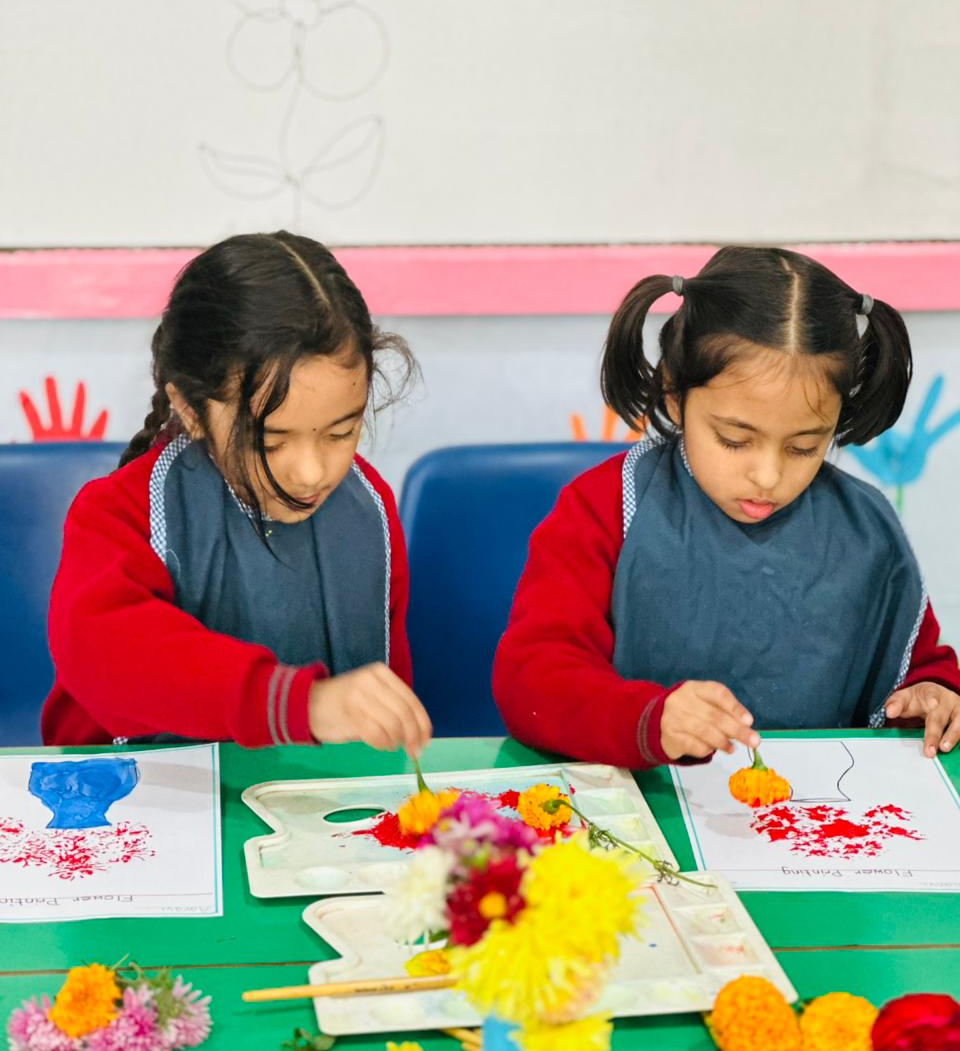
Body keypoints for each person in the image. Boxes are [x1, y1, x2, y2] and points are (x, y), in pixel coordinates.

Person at [494, 246, 960, 769]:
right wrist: (647, 719)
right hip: (644, 813)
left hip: (817, 818)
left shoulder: (865, 529)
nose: (768, 476)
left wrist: (932, 695)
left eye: (804, 446)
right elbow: (532, 680)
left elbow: (915, 667)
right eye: (735, 440)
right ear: (674, 394)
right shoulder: (607, 508)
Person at [43, 231, 431, 756]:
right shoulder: (121, 513)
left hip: (306, 813)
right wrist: (301, 704)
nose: (312, 472)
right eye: (270, 441)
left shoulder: (370, 510)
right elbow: (103, 657)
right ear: (192, 409)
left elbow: (382, 704)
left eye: (341, 433)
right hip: (139, 806)